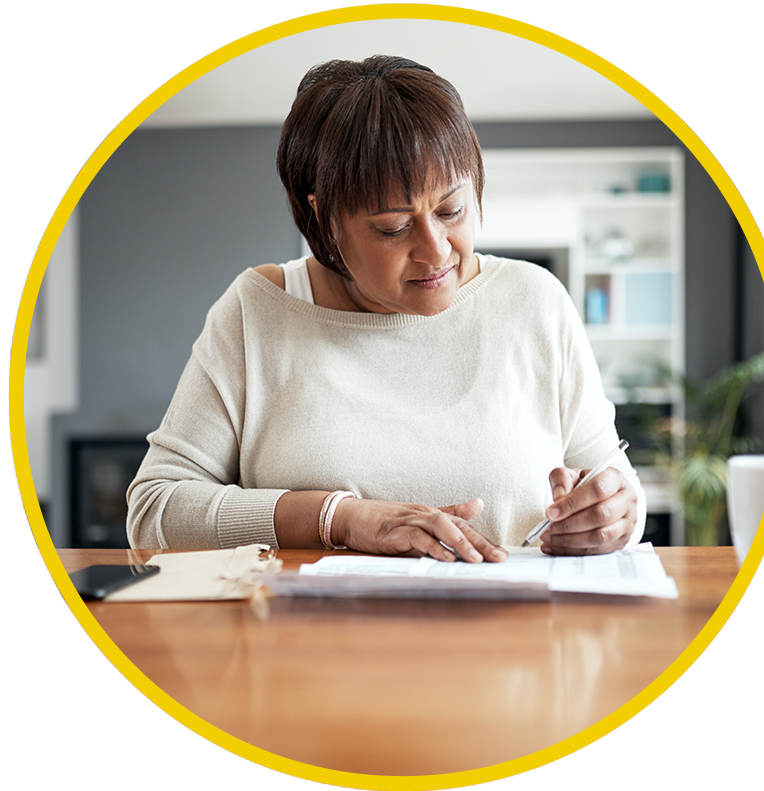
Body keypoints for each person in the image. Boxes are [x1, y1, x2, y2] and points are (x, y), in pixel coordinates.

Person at [127, 55, 645, 561]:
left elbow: (615, 488)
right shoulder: (257, 313)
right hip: (305, 646)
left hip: (514, 641)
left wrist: (615, 514)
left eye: (452, 209)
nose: (436, 249)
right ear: (324, 216)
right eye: (394, 227)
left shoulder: (535, 301)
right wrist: (339, 519)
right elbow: (155, 512)